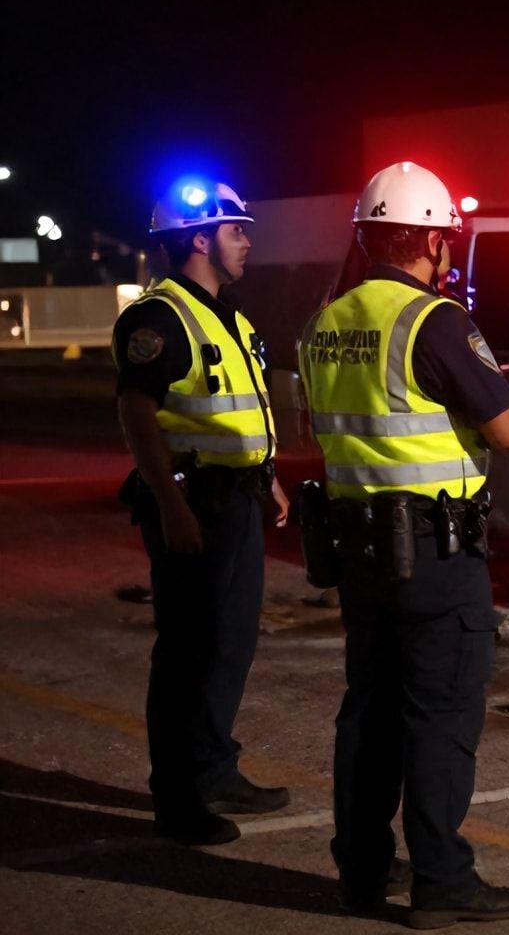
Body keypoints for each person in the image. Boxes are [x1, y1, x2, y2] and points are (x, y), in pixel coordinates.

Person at [298, 161, 509, 925]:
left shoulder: (323, 323)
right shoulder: (436, 321)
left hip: (358, 552)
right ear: (431, 240)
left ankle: (363, 872)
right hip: (434, 553)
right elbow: (507, 429)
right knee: (439, 717)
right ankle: (443, 883)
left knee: (368, 714)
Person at [113, 179, 291, 845]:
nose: (246, 241)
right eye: (236, 230)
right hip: (192, 504)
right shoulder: (159, 318)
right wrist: (170, 505)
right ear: (199, 239)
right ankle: (177, 796)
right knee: (188, 651)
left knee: (229, 644)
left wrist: (267, 477)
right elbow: (136, 413)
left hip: (235, 499)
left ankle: (214, 769)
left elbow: (238, 410)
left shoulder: (228, 316)